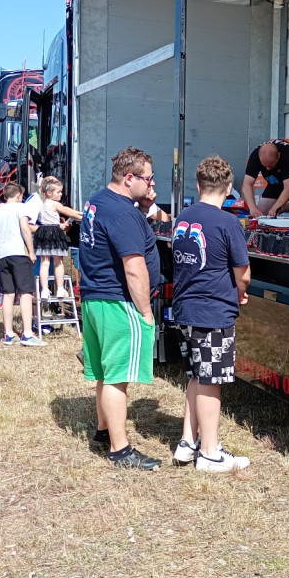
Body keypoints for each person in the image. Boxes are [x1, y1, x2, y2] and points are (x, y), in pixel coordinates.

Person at [79, 146, 162, 470]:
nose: (151, 183)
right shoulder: (124, 213)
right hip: (118, 302)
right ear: (130, 178)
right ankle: (120, 448)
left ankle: (104, 430)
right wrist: (144, 311)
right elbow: (133, 267)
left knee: (104, 371)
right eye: (148, 178)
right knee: (118, 378)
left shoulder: (98, 200)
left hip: (95, 298)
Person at [172, 155, 252, 472]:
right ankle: (209, 453)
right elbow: (242, 272)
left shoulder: (183, 217)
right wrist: (241, 293)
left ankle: (187, 442)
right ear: (229, 187)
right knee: (212, 381)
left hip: (184, 309)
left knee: (196, 375)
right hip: (212, 312)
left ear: (198, 184)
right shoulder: (228, 223)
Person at [0, 183, 45, 347]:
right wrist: (32, 251)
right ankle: (27, 333)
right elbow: (25, 229)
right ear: (19, 194)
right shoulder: (22, 208)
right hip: (20, 254)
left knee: (8, 294)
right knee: (26, 292)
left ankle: (9, 333)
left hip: (3, 256)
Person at [34, 177, 83, 300]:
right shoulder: (55, 204)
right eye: (58, 192)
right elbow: (69, 212)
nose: (60, 194)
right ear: (49, 193)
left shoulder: (42, 203)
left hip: (43, 232)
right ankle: (60, 288)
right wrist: (83, 214)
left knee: (45, 263)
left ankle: (44, 290)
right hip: (55, 232)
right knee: (58, 262)